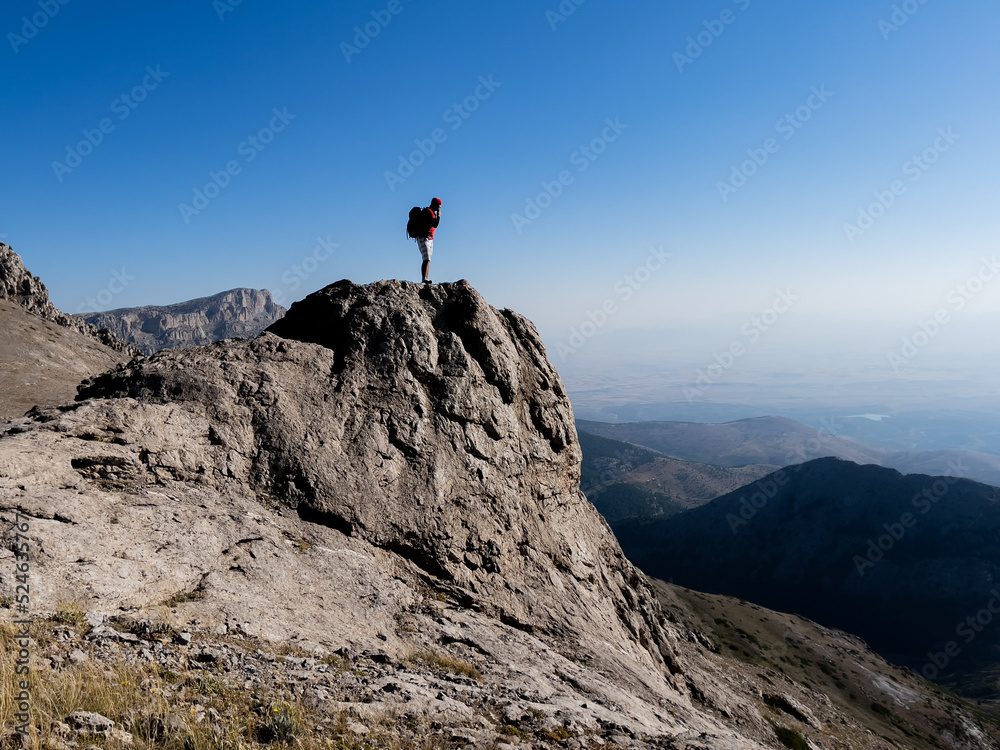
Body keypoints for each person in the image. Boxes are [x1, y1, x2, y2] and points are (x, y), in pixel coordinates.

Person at [415, 197, 441, 284]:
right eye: (439, 206)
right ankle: (424, 279)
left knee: (428, 259)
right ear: (435, 204)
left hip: (429, 238)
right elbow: (435, 224)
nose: (439, 208)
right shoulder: (428, 212)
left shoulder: (432, 212)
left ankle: (426, 278)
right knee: (426, 258)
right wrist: (439, 216)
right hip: (423, 237)